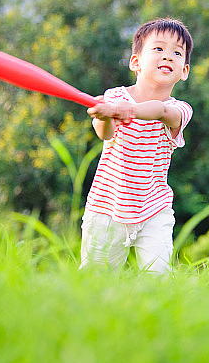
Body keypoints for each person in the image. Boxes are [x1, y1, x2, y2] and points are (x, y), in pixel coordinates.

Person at [80, 18, 193, 274]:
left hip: (154, 207)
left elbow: (161, 111)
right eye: (158, 49)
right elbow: (105, 134)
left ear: (184, 71)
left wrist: (127, 110)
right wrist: (105, 115)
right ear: (135, 62)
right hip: (107, 205)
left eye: (177, 53)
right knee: (96, 278)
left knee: (159, 275)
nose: (168, 57)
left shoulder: (181, 109)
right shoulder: (115, 97)